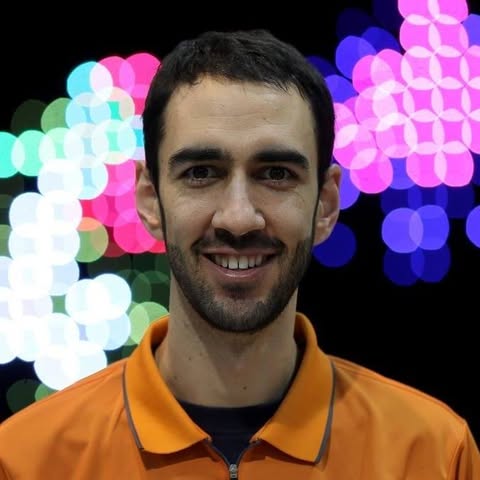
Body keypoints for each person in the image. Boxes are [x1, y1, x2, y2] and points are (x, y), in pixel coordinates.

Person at [0, 29, 478, 479]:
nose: (238, 218)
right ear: (149, 199)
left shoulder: (433, 453)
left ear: (326, 205)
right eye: (201, 172)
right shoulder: (24, 459)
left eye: (276, 174)